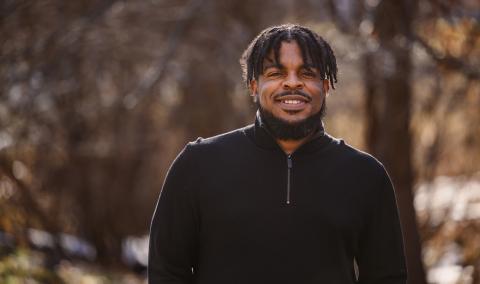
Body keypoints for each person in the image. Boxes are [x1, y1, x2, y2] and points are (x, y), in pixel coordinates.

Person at [148, 24, 407, 284]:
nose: (292, 83)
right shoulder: (198, 165)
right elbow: (167, 273)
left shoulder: (365, 175)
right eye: (276, 73)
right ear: (253, 85)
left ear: (326, 86)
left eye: (306, 73)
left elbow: (387, 278)